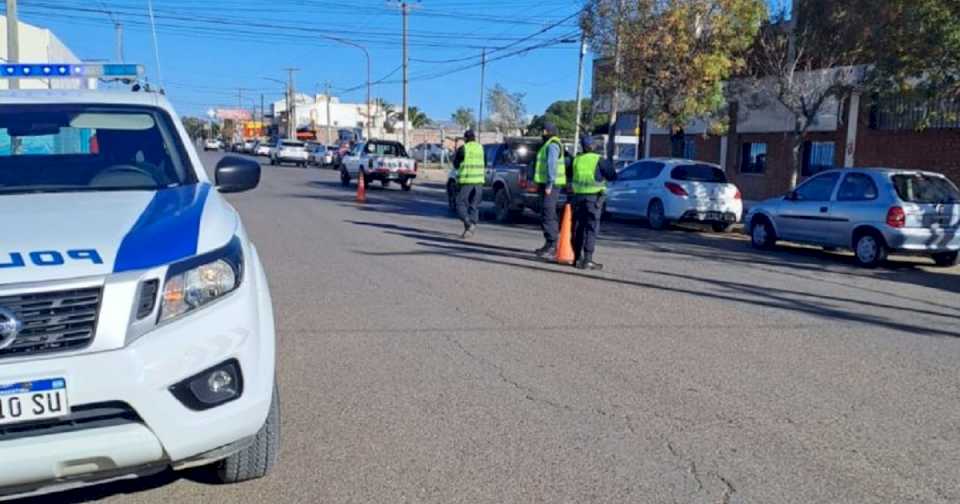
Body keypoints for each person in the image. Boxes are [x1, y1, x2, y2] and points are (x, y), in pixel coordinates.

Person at [571, 136, 617, 270]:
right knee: (591, 229)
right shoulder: (599, 160)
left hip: (578, 198)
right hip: (593, 199)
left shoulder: (577, 160)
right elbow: (612, 175)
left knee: (578, 228)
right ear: (593, 146)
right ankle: (588, 260)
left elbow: (571, 176)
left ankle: (576, 258)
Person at [533, 123, 566, 259]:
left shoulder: (552, 144)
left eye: (544, 130)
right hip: (545, 183)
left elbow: (552, 165)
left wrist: (549, 184)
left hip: (551, 185)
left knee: (548, 212)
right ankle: (549, 243)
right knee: (545, 212)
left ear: (549, 131)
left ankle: (552, 244)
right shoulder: (547, 144)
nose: (543, 133)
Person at [453, 130, 485, 239]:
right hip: (479, 181)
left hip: (467, 181)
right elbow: (484, 161)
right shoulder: (481, 148)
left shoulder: (463, 149)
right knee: (474, 205)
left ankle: (468, 223)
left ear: (465, 138)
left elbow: (456, 164)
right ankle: (471, 228)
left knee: (459, 203)